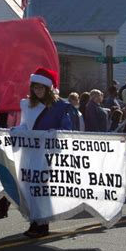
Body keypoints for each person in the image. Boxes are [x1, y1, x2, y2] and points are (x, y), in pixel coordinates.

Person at [18, 67, 75, 238]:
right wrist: (16, 131)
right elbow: (25, 125)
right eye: (35, 88)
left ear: (48, 89)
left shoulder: (60, 106)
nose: (37, 91)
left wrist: (53, 133)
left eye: (40, 88)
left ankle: (43, 225)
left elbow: (67, 129)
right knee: (29, 188)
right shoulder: (28, 105)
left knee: (41, 189)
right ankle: (33, 222)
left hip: (47, 153)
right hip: (29, 153)